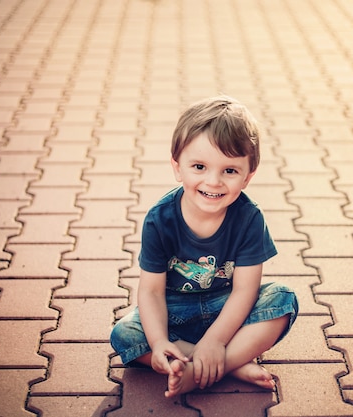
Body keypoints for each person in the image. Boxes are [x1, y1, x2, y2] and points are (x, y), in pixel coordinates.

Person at [110, 95, 298, 398]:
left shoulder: (249, 218)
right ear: (177, 167)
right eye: (199, 166)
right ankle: (230, 365)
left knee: (282, 300)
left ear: (248, 177)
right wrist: (158, 343)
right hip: (176, 312)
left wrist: (215, 341)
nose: (213, 182)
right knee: (125, 335)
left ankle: (201, 369)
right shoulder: (160, 220)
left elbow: (245, 291)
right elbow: (152, 291)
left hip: (227, 308)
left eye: (230, 171)